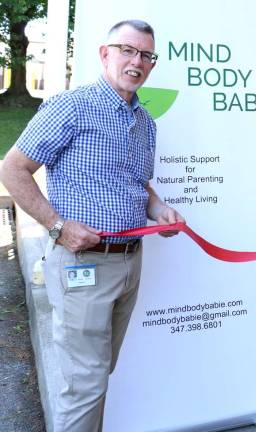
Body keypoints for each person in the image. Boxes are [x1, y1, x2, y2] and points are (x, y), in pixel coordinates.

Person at [0, 20, 184, 431]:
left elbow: (137, 183)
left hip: (129, 264)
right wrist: (57, 227)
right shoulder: (72, 106)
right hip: (82, 266)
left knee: (97, 375)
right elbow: (12, 169)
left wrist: (160, 210)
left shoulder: (145, 122)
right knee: (84, 384)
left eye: (146, 55)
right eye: (127, 50)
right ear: (105, 54)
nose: (137, 61)